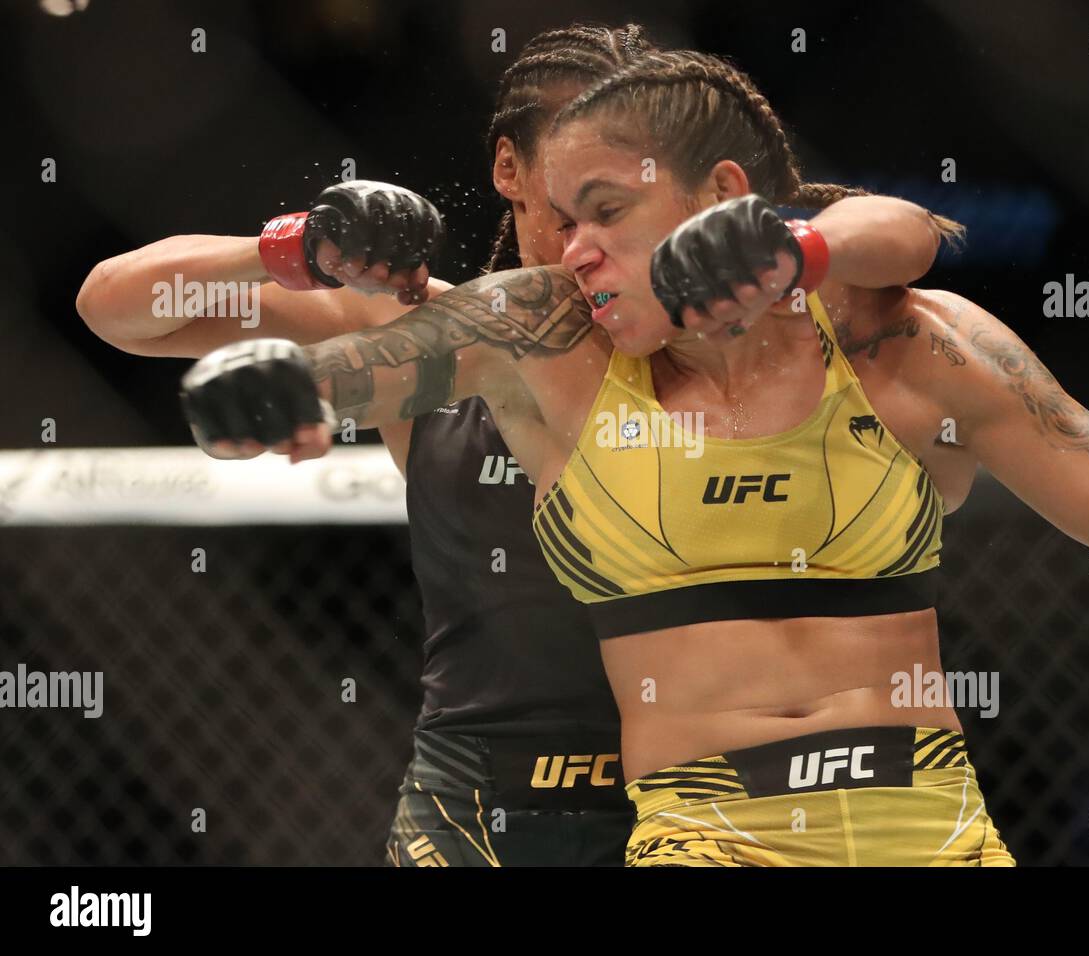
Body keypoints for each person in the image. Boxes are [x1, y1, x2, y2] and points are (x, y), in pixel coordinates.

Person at [182, 49, 1089, 867]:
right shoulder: (547, 344)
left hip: (935, 829)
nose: (572, 249)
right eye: (563, 217)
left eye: (605, 211)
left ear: (720, 199)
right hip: (701, 837)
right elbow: (390, 357)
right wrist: (288, 380)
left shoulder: (903, 345)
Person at [81, 32, 947, 865]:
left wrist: (799, 247)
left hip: (711, 799)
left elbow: (897, 232)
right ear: (510, 168)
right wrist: (294, 247)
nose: (593, 197)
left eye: (625, 171)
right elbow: (114, 309)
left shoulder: (754, 333)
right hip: (481, 807)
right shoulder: (429, 334)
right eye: (570, 166)